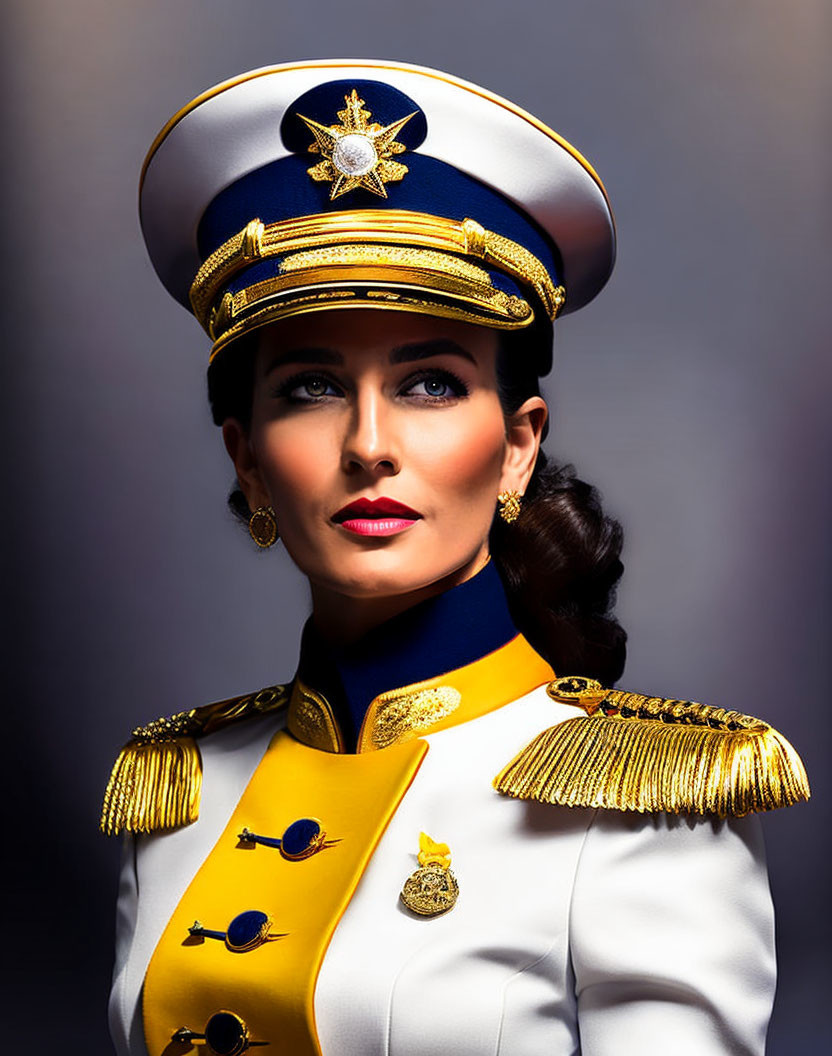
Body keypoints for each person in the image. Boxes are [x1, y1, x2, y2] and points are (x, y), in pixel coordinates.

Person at [102, 60, 809, 1056]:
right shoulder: (176, 793)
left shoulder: (639, 816)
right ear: (247, 460)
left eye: (429, 384)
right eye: (309, 388)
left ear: (517, 444)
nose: (368, 444)